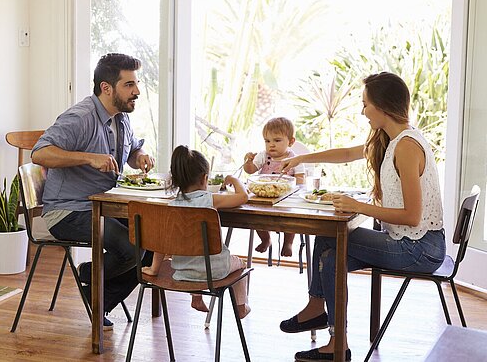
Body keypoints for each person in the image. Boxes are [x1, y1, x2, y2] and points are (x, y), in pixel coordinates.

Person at [278, 72, 445, 361]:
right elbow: (347, 154)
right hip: (409, 242)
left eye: (365, 104)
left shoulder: (406, 147)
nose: (362, 111)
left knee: (331, 245)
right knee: (329, 249)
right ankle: (327, 327)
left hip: (420, 249)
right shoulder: (391, 139)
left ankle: (326, 326)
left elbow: (412, 216)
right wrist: (303, 157)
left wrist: (359, 206)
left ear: (382, 107)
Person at [31, 53, 156, 330]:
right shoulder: (80, 117)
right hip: (68, 211)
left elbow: (132, 149)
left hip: (105, 206)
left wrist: (141, 156)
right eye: (129, 85)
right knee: (132, 249)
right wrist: (87, 157)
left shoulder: (121, 118)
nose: (136, 91)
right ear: (106, 88)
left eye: (136, 84)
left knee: (153, 243)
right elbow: (39, 153)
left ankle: (95, 292)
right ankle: (90, 275)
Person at [141, 145, 252, 319]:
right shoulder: (210, 199)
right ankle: (241, 307)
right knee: (241, 264)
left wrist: (154, 269)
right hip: (215, 271)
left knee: (193, 253)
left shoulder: (171, 207)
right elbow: (243, 197)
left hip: (182, 271)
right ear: (205, 178)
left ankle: (197, 297)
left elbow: (161, 244)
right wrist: (234, 180)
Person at [243, 117, 305, 257]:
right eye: (267, 141)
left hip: (286, 198)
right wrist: (248, 162)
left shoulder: (295, 159)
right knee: (256, 217)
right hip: (263, 197)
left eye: (277, 141)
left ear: (291, 141)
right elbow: (251, 170)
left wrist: (292, 185)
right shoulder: (263, 156)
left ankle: (288, 242)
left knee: (290, 219)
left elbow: (300, 180)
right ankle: (266, 239)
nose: (271, 145)